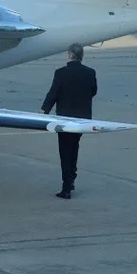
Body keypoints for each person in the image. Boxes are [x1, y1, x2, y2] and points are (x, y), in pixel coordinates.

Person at [40, 43, 97, 200]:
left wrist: (44, 112)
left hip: (65, 119)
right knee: (74, 148)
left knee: (65, 151)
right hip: (82, 118)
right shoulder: (90, 73)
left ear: (70, 55)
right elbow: (93, 91)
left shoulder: (60, 73)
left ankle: (66, 187)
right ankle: (72, 177)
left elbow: (53, 94)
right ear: (81, 56)